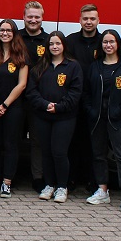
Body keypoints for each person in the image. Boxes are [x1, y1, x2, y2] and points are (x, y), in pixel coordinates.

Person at [82, 29, 121, 212]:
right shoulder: (95, 66)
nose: (108, 45)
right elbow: (87, 92)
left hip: (118, 119)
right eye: (105, 42)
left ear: (118, 44)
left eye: (112, 42)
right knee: (98, 155)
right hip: (97, 118)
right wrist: (90, 110)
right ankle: (102, 191)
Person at [27, 32, 84, 203]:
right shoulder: (40, 66)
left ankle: (62, 187)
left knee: (59, 152)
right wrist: (45, 105)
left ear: (64, 45)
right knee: (46, 152)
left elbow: (75, 92)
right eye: (51, 44)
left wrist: (59, 107)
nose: (54, 47)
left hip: (64, 117)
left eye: (58, 43)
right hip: (43, 115)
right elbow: (31, 91)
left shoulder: (73, 66)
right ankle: (49, 184)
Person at [0, 19, 28, 199]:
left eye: (9, 30)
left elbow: (22, 84)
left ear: (14, 33)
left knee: (11, 145)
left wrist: (5, 104)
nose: (5, 33)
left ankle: (7, 183)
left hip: (13, 107)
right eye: (2, 30)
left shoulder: (21, 55)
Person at [65, 4, 103, 195]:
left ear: (98, 20)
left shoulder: (104, 42)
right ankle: (71, 179)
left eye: (92, 19)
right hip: (74, 98)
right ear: (79, 20)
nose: (89, 22)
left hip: (96, 98)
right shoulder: (70, 42)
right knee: (72, 141)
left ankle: (92, 181)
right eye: (85, 18)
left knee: (93, 142)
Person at [19, 1, 49, 190]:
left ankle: (38, 177)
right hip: (16, 98)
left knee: (38, 140)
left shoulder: (48, 41)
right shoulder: (16, 38)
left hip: (38, 98)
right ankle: (9, 176)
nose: (33, 20)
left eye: (37, 17)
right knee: (13, 138)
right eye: (30, 16)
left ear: (42, 18)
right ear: (24, 17)